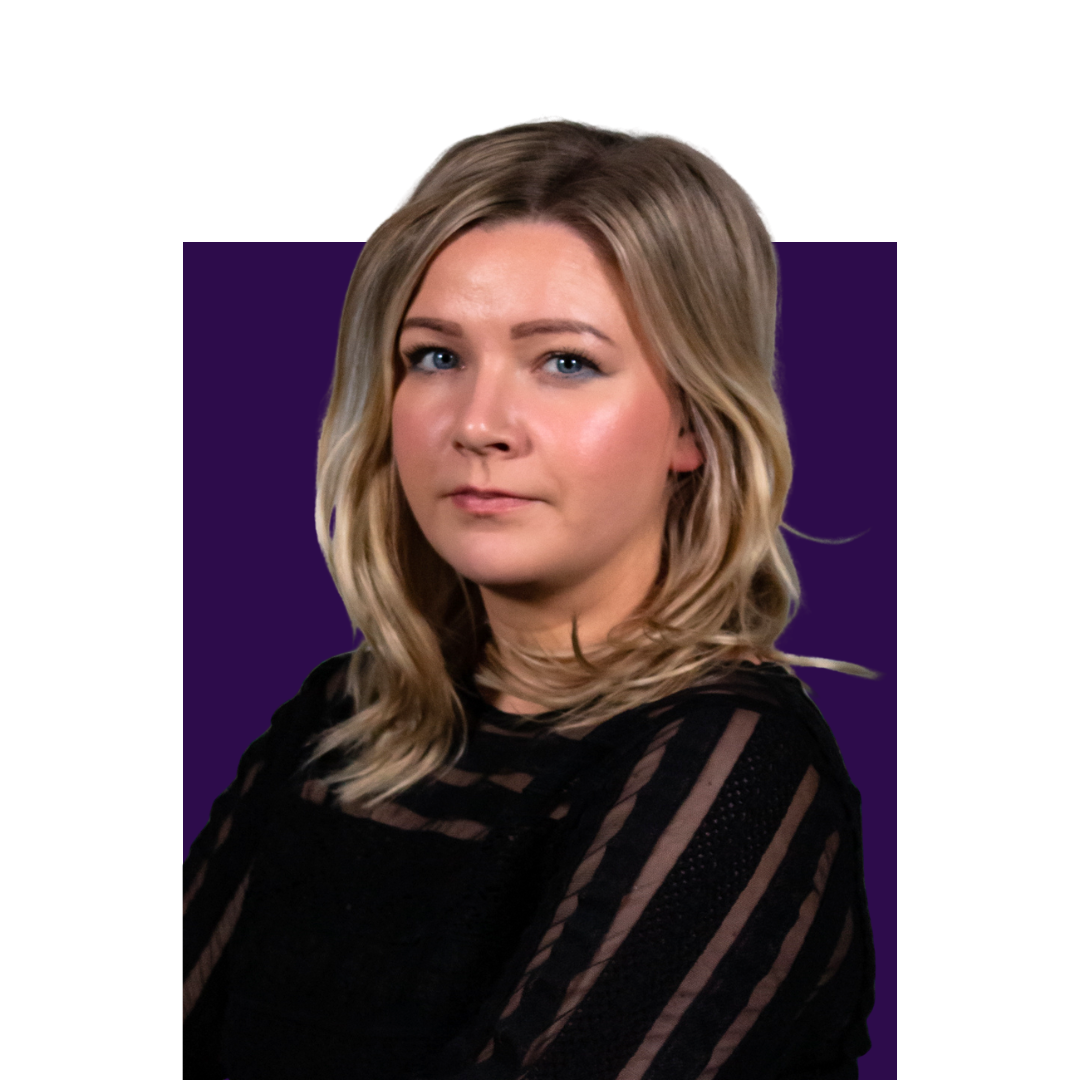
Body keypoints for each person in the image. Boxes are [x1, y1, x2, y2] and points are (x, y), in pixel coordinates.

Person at [183, 121, 875, 1079]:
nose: (478, 424)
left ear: (695, 422)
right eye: (436, 357)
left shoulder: (731, 765)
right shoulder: (339, 716)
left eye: (566, 363)